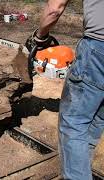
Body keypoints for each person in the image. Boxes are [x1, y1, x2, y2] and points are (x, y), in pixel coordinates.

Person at [26, 0, 104, 179]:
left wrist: (39, 37)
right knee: (97, 118)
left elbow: (54, 8)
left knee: (74, 124)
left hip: (99, 49)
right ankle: (81, 169)